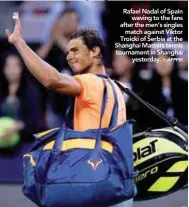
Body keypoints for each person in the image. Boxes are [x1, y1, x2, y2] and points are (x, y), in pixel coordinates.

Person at [5, 14, 133, 207]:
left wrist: (20, 43)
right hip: (115, 184)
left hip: (93, 182)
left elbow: (52, 80)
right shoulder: (114, 85)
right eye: (67, 52)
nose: (69, 57)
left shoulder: (90, 82)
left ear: (94, 52)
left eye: (75, 50)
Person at [0, 52, 44, 143]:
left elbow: (35, 121)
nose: (12, 70)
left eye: (16, 66)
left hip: (24, 141)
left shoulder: (30, 89)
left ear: (22, 68)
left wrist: (18, 126)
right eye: (8, 66)